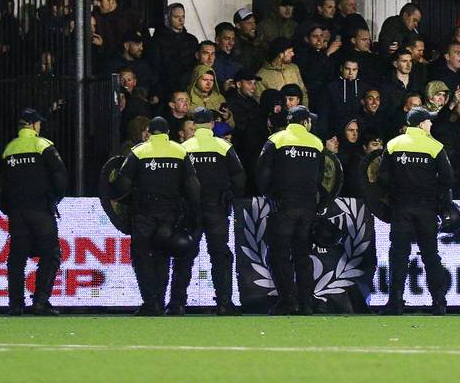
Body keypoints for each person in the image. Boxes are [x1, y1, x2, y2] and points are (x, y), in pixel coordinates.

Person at [113, 116, 200, 316]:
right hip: (169, 215)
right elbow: (192, 186)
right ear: (168, 133)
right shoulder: (180, 151)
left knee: (141, 257)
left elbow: (122, 185)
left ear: (150, 133)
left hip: (144, 214)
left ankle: (150, 302)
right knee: (162, 256)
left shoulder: (139, 151)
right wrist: (194, 214)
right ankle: (160, 301)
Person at [169, 108, 246, 316]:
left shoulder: (184, 148)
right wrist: (230, 195)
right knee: (220, 255)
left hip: (190, 212)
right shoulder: (223, 147)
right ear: (212, 124)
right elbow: (239, 177)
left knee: (184, 255)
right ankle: (224, 303)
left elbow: (174, 180)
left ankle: (176, 303)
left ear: (194, 124)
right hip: (217, 210)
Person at [379, 107, 455, 315]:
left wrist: (396, 191)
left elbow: (382, 178)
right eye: (429, 122)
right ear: (421, 124)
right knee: (431, 255)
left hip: (401, 208)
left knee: (399, 255)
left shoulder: (393, 144)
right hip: (426, 210)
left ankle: (395, 303)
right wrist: (434, 193)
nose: (431, 125)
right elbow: (448, 179)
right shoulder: (435, 146)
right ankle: (439, 303)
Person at [255, 106, 326, 315]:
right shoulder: (316, 143)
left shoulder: (276, 140)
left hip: (284, 205)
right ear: (305, 122)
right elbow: (321, 176)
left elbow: (262, 172)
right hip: (307, 207)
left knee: (279, 253)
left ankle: (288, 300)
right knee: (302, 255)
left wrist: (270, 195)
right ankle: (306, 303)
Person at [0, 109, 67, 316]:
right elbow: (60, 175)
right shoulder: (43, 145)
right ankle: (40, 301)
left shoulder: (9, 148)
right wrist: (54, 199)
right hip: (40, 210)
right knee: (51, 253)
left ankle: (15, 304)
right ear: (34, 125)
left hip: (17, 212)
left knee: (17, 257)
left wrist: (7, 207)